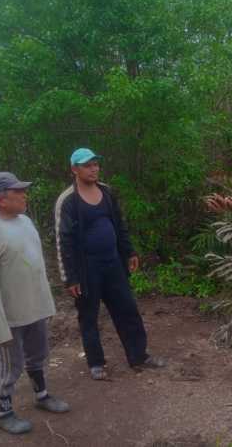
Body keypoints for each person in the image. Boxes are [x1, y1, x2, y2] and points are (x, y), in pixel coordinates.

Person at [54, 148, 165, 380]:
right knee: (89, 316)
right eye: (87, 165)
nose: (94, 169)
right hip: (87, 269)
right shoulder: (68, 201)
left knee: (127, 309)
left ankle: (138, 355)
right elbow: (63, 240)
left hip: (113, 263)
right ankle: (96, 363)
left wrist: (129, 251)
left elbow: (119, 224)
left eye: (95, 164)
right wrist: (70, 277)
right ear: (75, 169)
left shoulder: (106, 192)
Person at [0, 172, 69, 434]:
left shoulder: (26, 222)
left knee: (37, 355)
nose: (24, 194)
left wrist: (46, 303)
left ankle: (42, 396)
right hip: (11, 313)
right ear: (1, 200)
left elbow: (35, 266)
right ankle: (4, 414)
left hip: (34, 307)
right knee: (8, 364)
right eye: (18, 192)